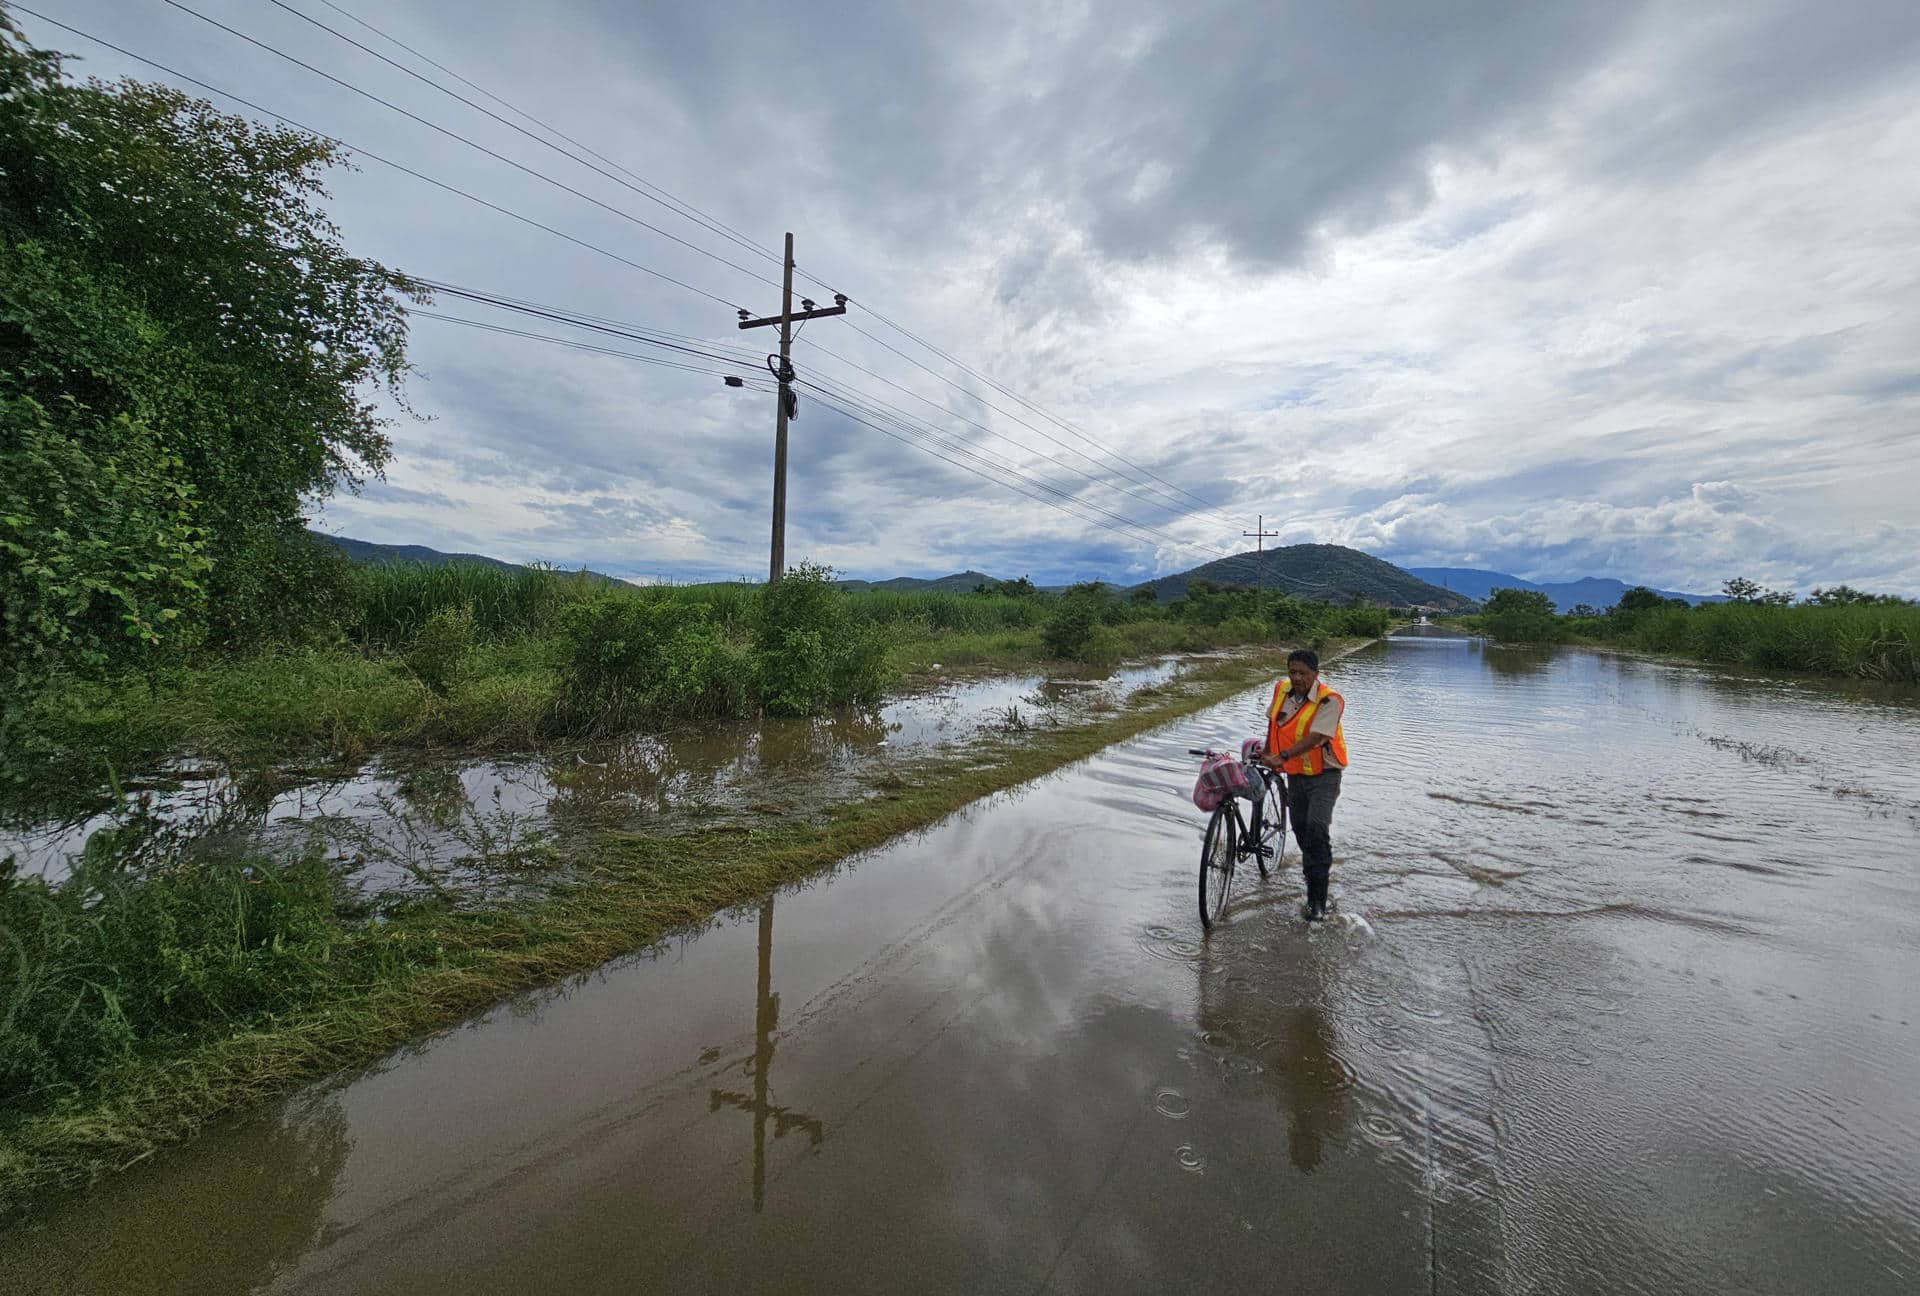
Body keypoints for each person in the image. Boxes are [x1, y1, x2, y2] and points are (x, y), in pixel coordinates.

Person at [1264, 648, 1348, 922]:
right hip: (1295, 774)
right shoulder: (1282, 691)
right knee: (1301, 829)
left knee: (1316, 827)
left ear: (1315, 674)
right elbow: (1273, 725)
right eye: (1292, 672)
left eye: (1302, 673)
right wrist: (1268, 753)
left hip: (1324, 775)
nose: (1297, 678)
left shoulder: (1329, 700)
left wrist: (1284, 755)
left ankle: (1318, 903)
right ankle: (1313, 875)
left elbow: (1316, 737)